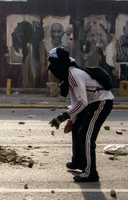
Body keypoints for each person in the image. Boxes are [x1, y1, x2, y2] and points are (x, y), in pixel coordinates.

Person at [47, 47, 114, 183]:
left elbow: (82, 102)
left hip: (101, 102)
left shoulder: (74, 74)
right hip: (92, 102)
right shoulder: (69, 75)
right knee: (77, 128)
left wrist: (62, 117)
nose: (51, 68)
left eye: (53, 64)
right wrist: (71, 120)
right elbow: (75, 100)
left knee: (86, 136)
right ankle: (78, 161)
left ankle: (90, 173)